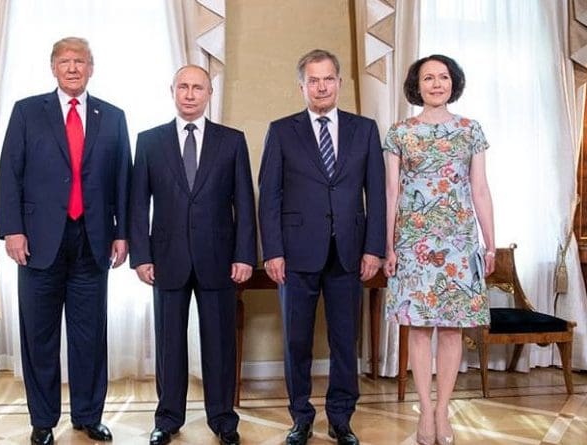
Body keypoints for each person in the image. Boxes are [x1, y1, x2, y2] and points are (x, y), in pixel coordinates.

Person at [0, 36, 131, 445]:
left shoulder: (112, 116)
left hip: (94, 241)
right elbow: (9, 175)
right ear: (52, 68)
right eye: (65, 61)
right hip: (38, 242)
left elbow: (123, 178)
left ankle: (89, 416)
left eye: (80, 61)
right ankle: (42, 421)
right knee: (39, 335)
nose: (73, 68)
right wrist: (13, 229)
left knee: (90, 335)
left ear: (92, 68)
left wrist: (123, 232)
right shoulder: (26, 112)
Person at [258, 49, 385, 445]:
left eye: (328, 78)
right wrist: (272, 251)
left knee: (345, 340)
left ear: (339, 82)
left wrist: (373, 248)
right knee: (296, 340)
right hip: (295, 254)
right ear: (302, 86)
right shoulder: (281, 130)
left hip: (350, 252)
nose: (321, 86)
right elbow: (270, 196)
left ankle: (341, 418)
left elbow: (376, 195)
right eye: (313, 80)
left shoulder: (364, 129)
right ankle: (300, 417)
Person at [130, 65, 256, 445]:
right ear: (172, 91)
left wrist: (244, 255)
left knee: (219, 343)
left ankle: (223, 419)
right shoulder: (149, 141)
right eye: (183, 86)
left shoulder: (231, 141)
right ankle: (168, 419)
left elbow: (244, 204)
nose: (189, 93)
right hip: (166, 258)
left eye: (197, 87)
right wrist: (141, 255)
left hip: (219, 258)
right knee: (169, 344)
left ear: (209, 93)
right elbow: (138, 204)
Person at [383, 54, 494, 445]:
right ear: (417, 85)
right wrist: (388, 244)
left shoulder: (470, 130)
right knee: (416, 328)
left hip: (459, 242)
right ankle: (425, 412)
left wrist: (490, 242)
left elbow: (479, 188)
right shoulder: (399, 132)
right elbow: (391, 192)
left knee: (451, 330)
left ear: (453, 83)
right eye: (428, 77)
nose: (436, 83)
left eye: (443, 77)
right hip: (413, 242)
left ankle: (443, 409)